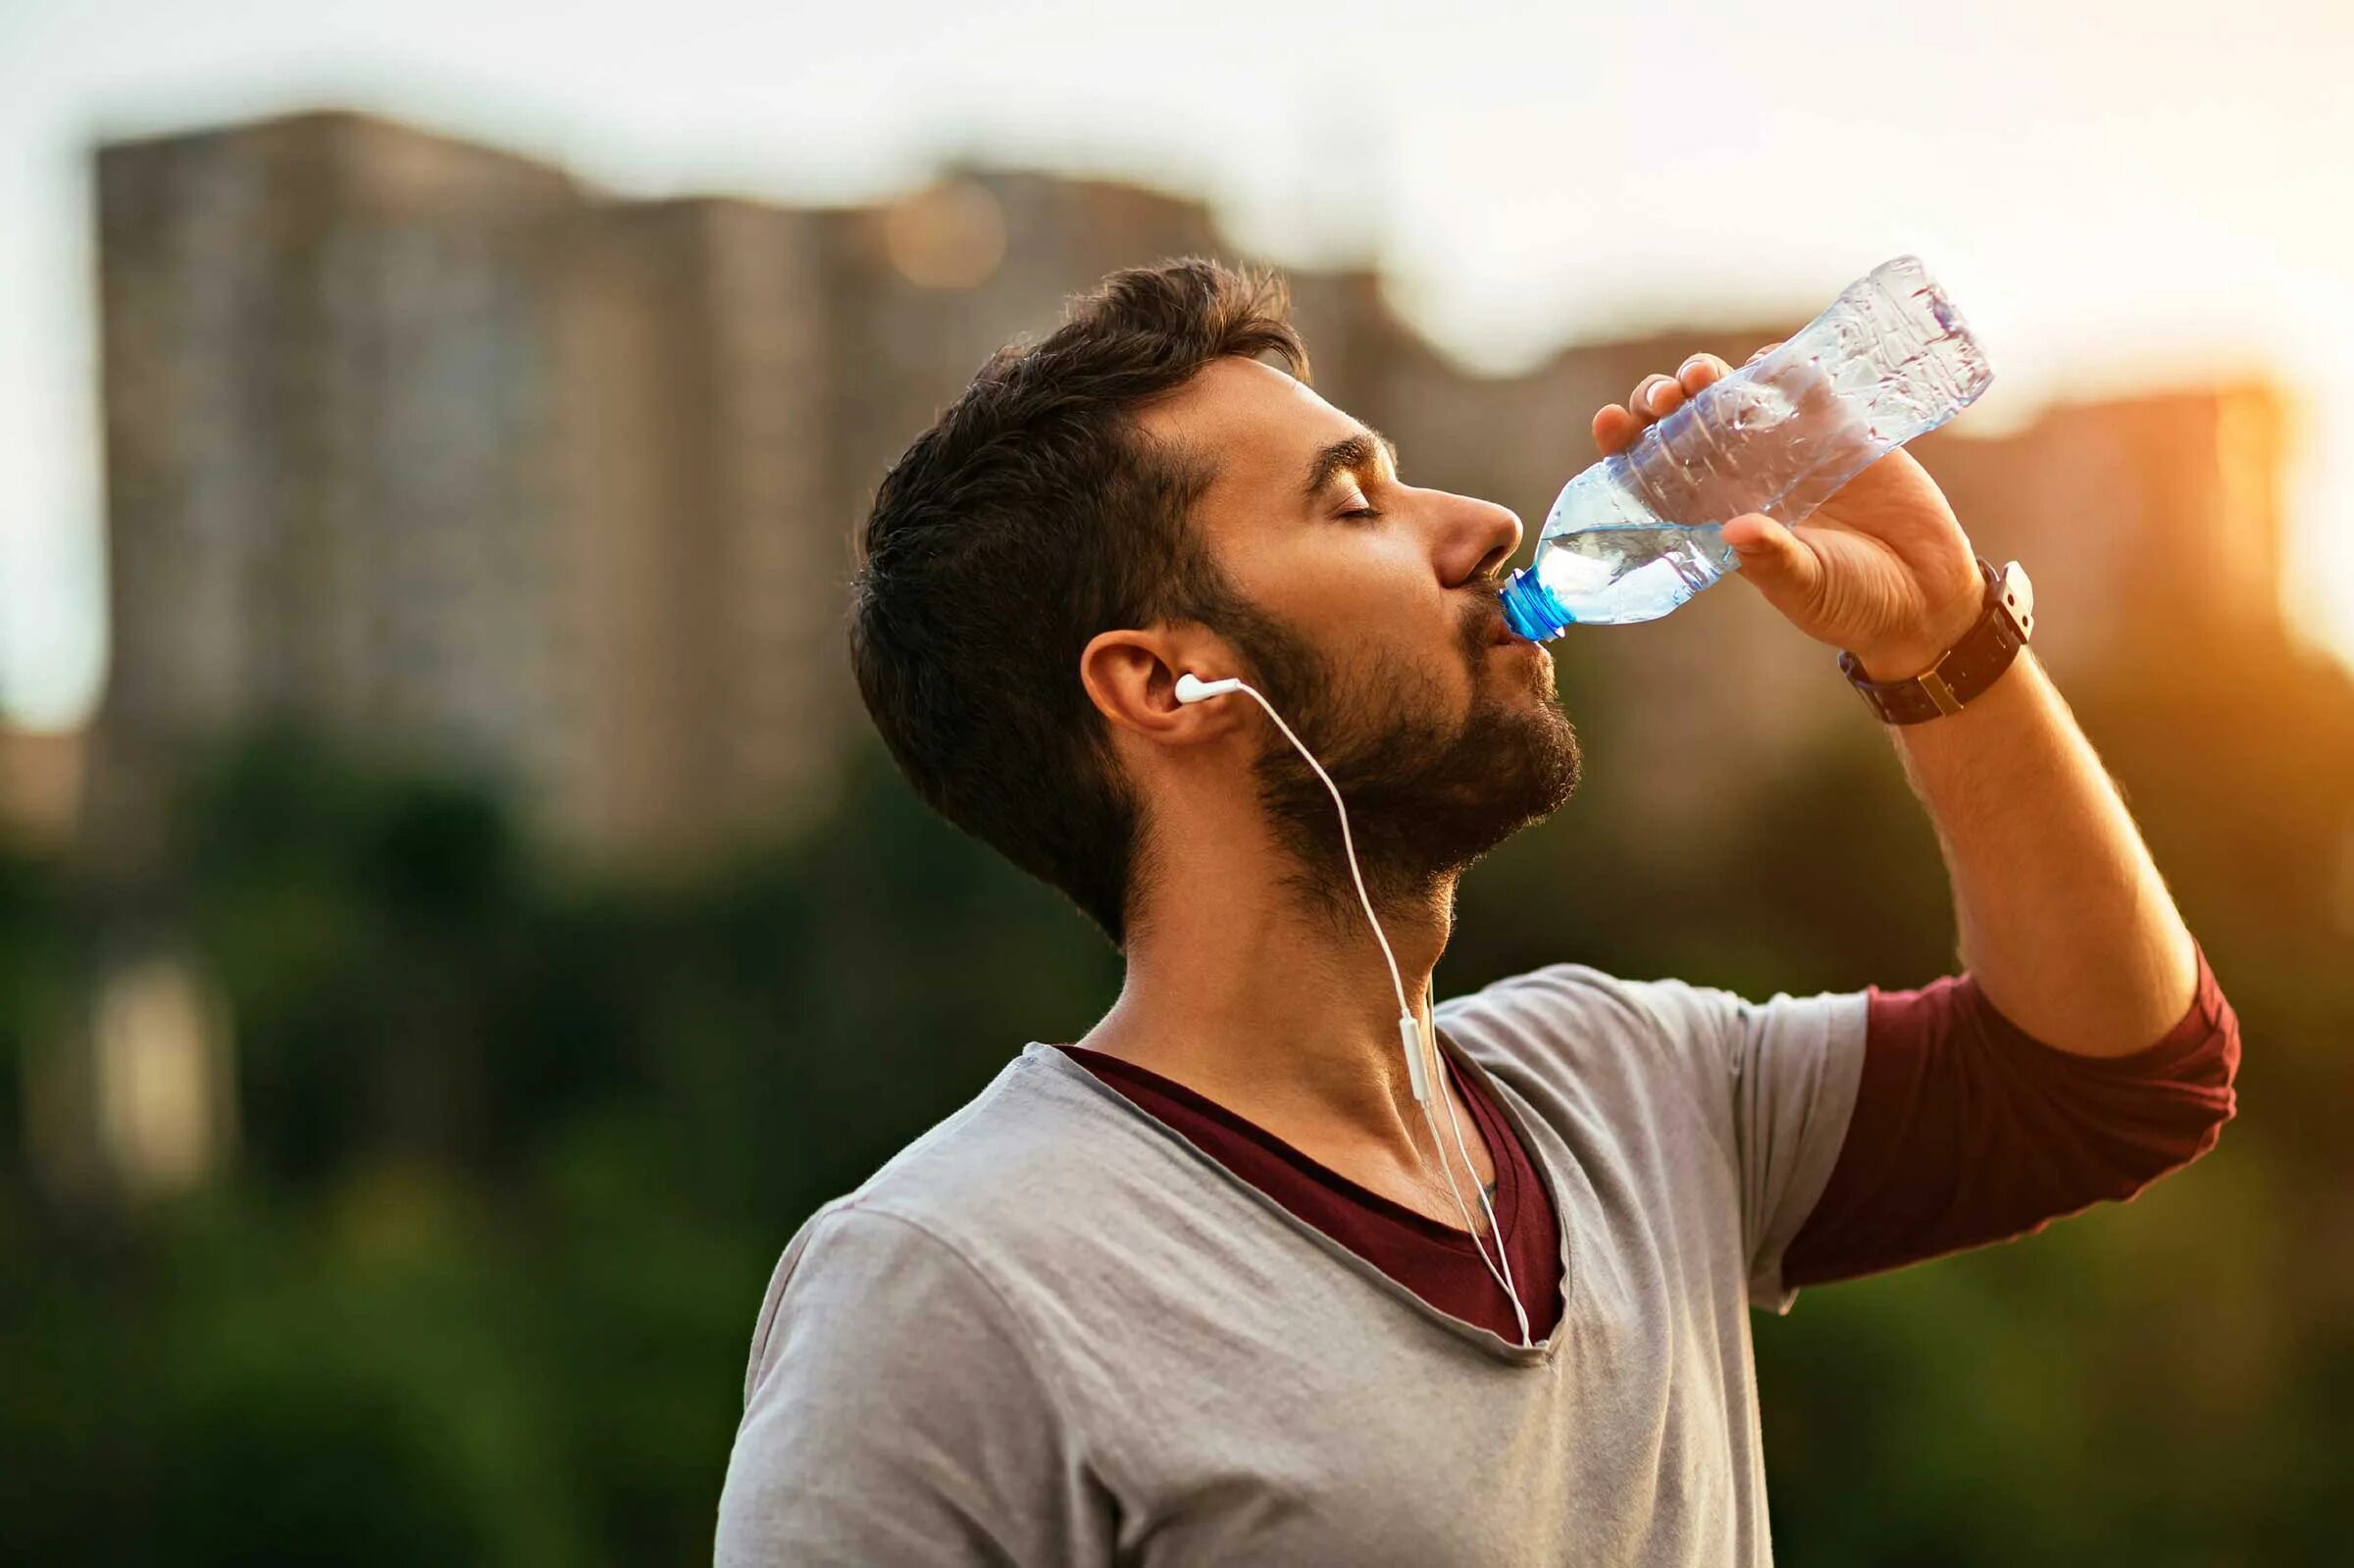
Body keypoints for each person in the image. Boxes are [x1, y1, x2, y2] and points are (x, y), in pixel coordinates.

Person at [712, 260, 2238, 1566]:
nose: (1491, 524)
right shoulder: (952, 1282)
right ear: (1166, 683)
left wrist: (1949, 648)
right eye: (1357, 503)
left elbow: (2116, 1074)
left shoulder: (1628, 1088)